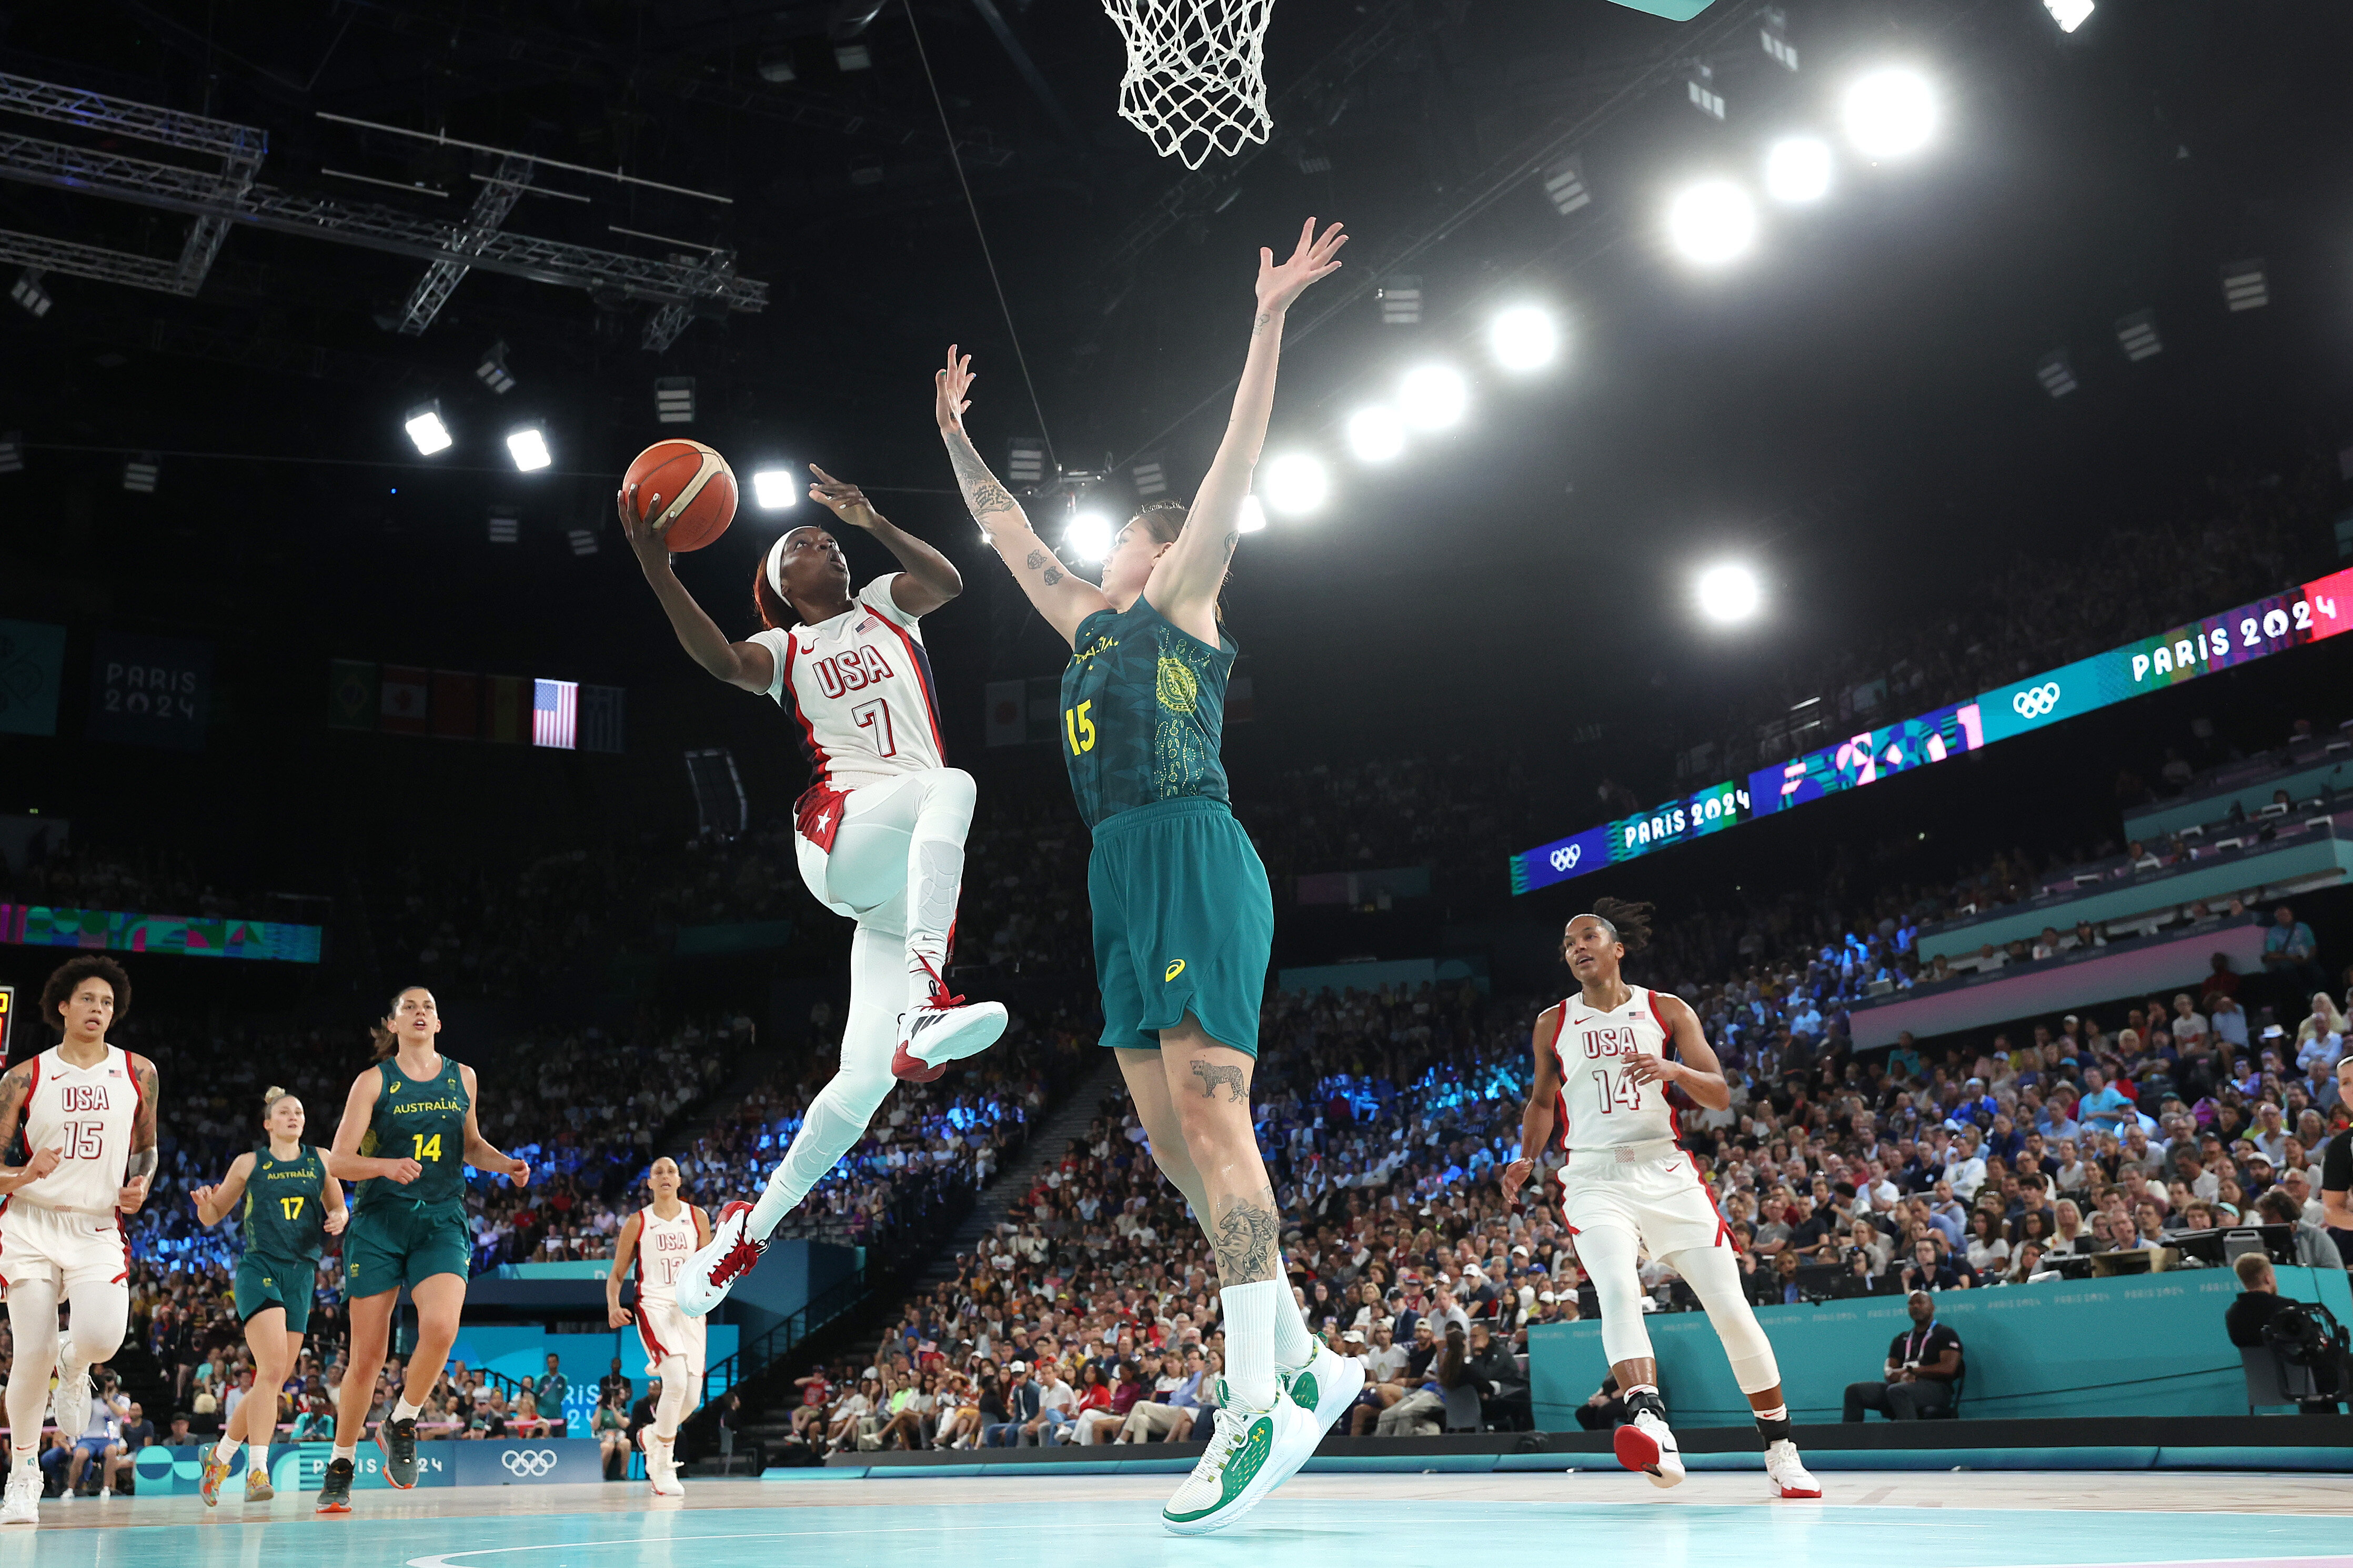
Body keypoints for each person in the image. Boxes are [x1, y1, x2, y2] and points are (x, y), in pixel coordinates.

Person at [931, 217, 1362, 1537]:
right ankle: (1305, 1357)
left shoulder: (1180, 593)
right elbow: (1010, 542)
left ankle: (1249, 1404)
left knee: (1214, 1123)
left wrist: (1271, 313)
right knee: (1171, 1144)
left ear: (1160, 545)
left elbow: (1238, 452)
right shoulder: (1090, 618)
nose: (1098, 541)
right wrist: (951, 434)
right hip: (1115, 873)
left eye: (1119, 527)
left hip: (1187, 845)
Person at [630, 468, 1007, 1319]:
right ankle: (925, 1004)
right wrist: (661, 571)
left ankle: (743, 1234)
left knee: (861, 1086)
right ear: (779, 587)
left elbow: (947, 580)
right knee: (953, 785)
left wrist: (871, 513)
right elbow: (722, 661)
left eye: (825, 539)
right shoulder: (786, 651)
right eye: (800, 545)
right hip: (838, 834)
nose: (820, 544)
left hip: (894, 880)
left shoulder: (885, 603)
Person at [1502, 900, 1820, 1499]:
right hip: (1594, 1175)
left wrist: (1670, 1068)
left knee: (1730, 1309)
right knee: (1618, 1288)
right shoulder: (1552, 1022)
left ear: (1616, 947)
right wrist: (1527, 1153)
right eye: (1567, 942)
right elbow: (1543, 1101)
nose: (1576, 946)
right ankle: (1649, 1418)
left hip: (1665, 1168)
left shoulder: (1665, 1009)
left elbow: (1721, 1095)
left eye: (1588, 935)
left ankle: (1780, 1449)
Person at [316, 986, 530, 1513]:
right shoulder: (373, 1081)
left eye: (428, 1006)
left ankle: (402, 1419)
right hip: (378, 1224)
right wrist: (386, 1164)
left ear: (439, 1021)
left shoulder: (464, 1076)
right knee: (366, 1357)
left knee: (440, 1327)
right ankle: (341, 1463)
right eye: (408, 1006)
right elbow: (338, 1161)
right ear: (391, 1022)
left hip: (440, 1219)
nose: (419, 1012)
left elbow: (471, 1144)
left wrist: (505, 1163)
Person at [0, 957, 159, 1530]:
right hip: (31, 1223)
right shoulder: (23, 1077)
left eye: (108, 1002)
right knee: (30, 1351)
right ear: (62, 1006)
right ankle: (23, 1475)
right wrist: (23, 1173)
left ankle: (75, 1365)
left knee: (102, 1337)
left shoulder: (138, 1071)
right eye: (88, 999)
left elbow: (146, 1147)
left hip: (96, 1222)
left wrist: (141, 1183)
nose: (98, 1009)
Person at [190, 1084, 347, 1506]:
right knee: (273, 1367)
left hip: (303, 1275)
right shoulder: (249, 1163)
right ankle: (257, 1469)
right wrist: (205, 1202)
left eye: (298, 1111)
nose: (294, 1116)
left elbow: (340, 1207)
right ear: (268, 1123)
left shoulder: (322, 1159)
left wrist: (339, 1217)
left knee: (271, 1378)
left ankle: (219, 1459)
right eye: (284, 1112)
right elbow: (212, 1215)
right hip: (260, 1269)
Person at [606, 1156, 715, 1496]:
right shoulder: (638, 1222)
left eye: (671, 1171)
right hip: (654, 1305)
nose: (666, 1175)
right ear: (649, 1183)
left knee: (693, 1398)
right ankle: (661, 1462)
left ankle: (652, 1435)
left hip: (691, 1309)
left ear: (680, 1180)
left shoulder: (697, 1217)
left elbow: (710, 1268)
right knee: (676, 1381)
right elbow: (617, 1274)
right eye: (658, 1171)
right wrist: (613, 1304)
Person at [2223, 1251, 2344, 1414]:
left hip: (2262, 1388)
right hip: (2302, 1383)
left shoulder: (2233, 1314)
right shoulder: (2286, 1309)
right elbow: (2316, 1344)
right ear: (2267, 1278)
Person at [1842, 1290, 1964, 1420]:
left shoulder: (1945, 1334)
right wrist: (1900, 1376)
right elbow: (1890, 1371)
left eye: (1920, 1303)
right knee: (1854, 1391)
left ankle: (1909, 1438)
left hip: (1937, 1389)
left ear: (1932, 1308)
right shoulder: (1901, 1339)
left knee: (1897, 1391)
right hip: (1902, 1386)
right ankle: (1852, 1440)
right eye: (1911, 1304)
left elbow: (1949, 1369)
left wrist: (1915, 1372)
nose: (1915, 1306)